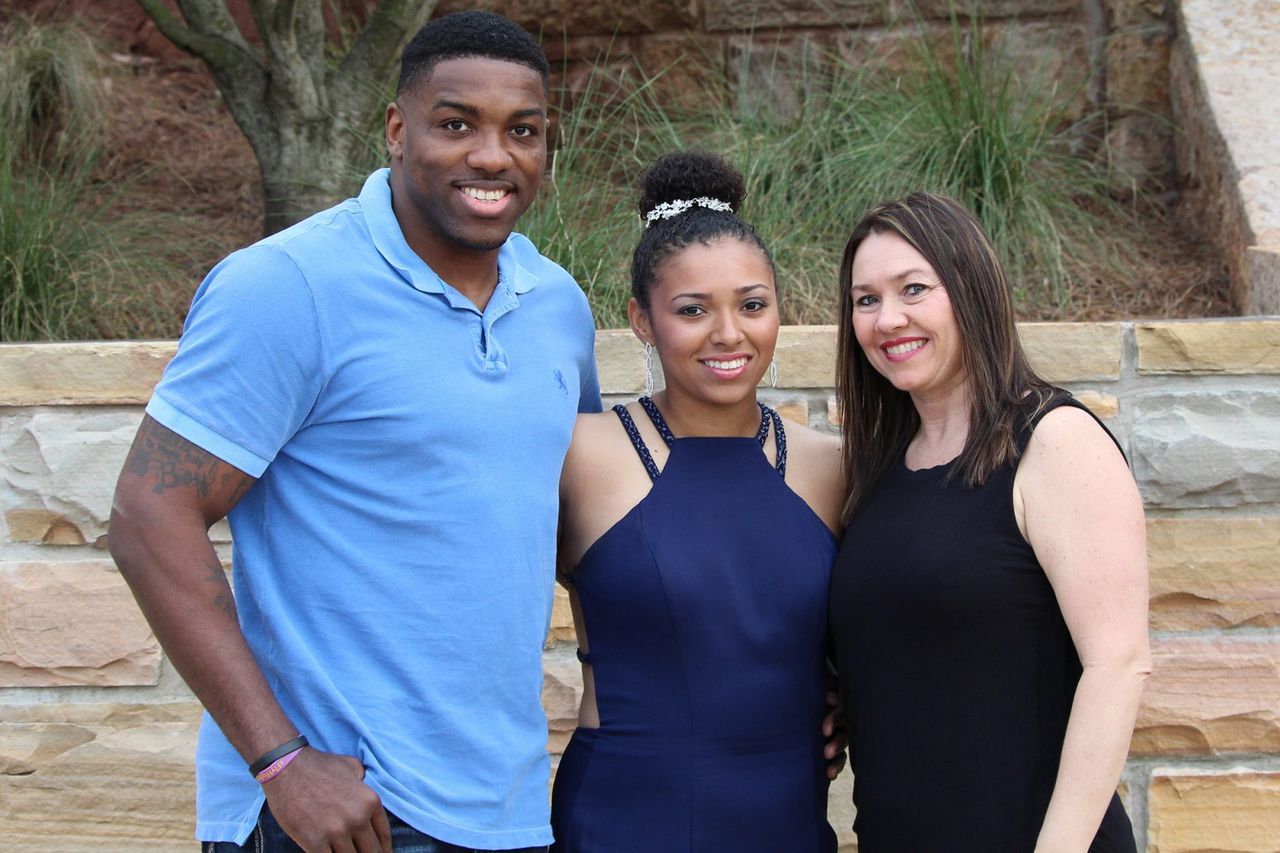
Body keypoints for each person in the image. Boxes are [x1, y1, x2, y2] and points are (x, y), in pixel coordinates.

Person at [107, 11, 600, 853]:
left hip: (507, 806)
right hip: (340, 813)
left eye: (522, 130)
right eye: (456, 124)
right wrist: (280, 762)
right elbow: (148, 514)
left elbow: (578, 522)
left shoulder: (556, 304)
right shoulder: (288, 285)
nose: (493, 155)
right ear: (397, 130)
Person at [827, 192, 1151, 851]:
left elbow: (1118, 662)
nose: (888, 318)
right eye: (866, 299)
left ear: (971, 287)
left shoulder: (1054, 443)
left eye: (913, 289)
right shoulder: (878, 469)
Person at [549, 151, 845, 852]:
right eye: (692, 310)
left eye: (752, 304)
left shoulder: (831, 466)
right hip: (625, 817)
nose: (729, 334)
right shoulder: (578, 453)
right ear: (641, 321)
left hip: (788, 819)